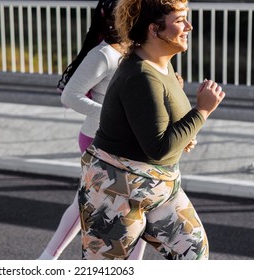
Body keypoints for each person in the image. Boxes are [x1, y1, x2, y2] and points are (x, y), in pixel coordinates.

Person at [78, 0, 225, 260]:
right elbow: (158, 148)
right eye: (180, 20)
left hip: (163, 188)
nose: (189, 26)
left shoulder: (163, 65)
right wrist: (202, 110)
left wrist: (185, 136)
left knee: (194, 252)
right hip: (118, 190)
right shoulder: (141, 75)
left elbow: (161, 127)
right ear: (154, 30)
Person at [38, 0, 148, 260]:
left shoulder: (135, 50)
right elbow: (70, 95)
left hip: (129, 142)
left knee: (140, 205)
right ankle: (46, 260)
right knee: (87, 203)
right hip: (98, 139)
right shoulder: (104, 54)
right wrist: (107, 114)